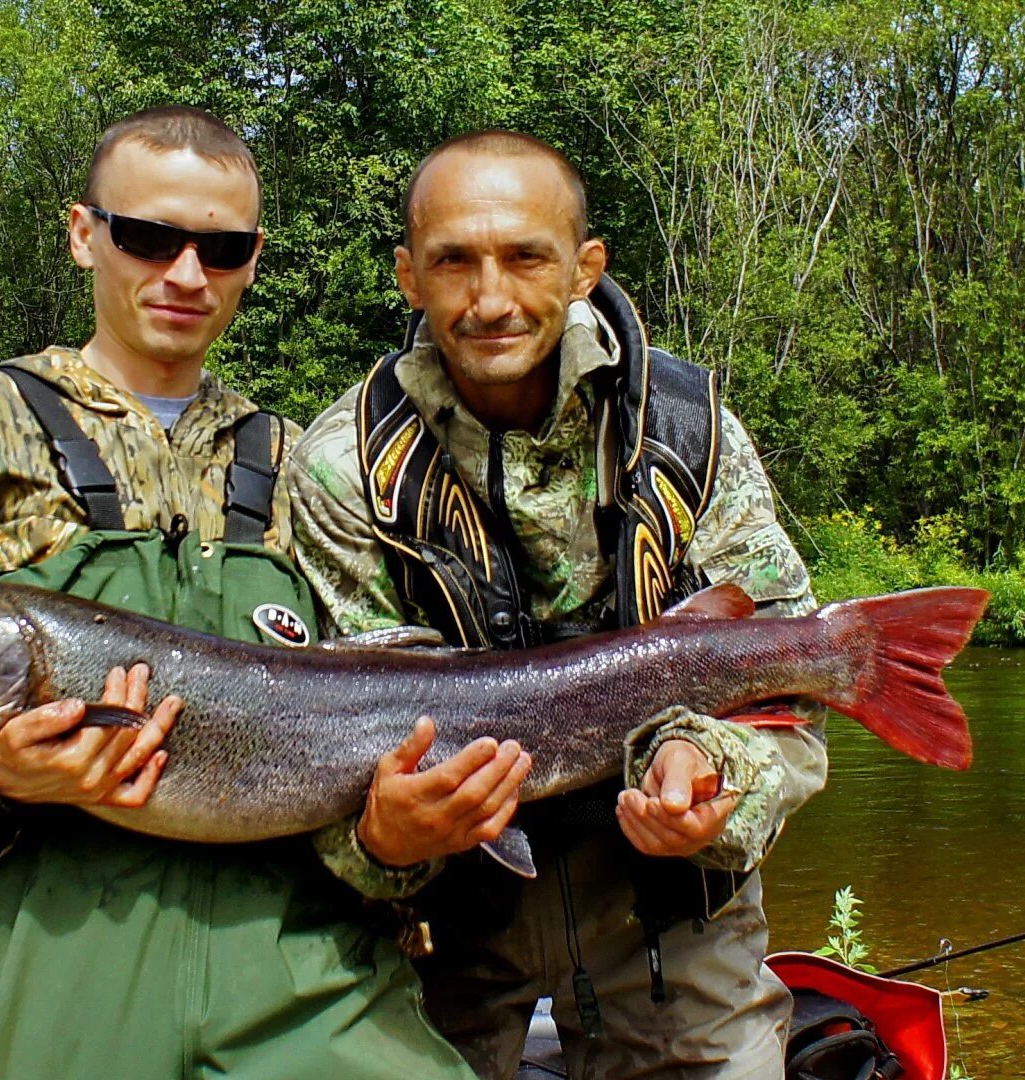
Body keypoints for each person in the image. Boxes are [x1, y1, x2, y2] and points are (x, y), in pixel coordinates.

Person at [0, 106, 476, 1080]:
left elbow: (385, 762)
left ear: (254, 259)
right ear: (86, 235)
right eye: (149, 237)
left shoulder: (311, 467)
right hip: (41, 997)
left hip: (305, 992)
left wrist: (396, 841)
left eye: (222, 246)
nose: (186, 273)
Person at [287, 129, 830, 1079]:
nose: (489, 298)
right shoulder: (342, 468)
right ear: (409, 277)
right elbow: (316, 746)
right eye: (453, 261)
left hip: (668, 911)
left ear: (584, 268)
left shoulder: (685, 430)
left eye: (524, 257)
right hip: (441, 921)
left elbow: (794, 696)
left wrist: (716, 779)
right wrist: (382, 838)